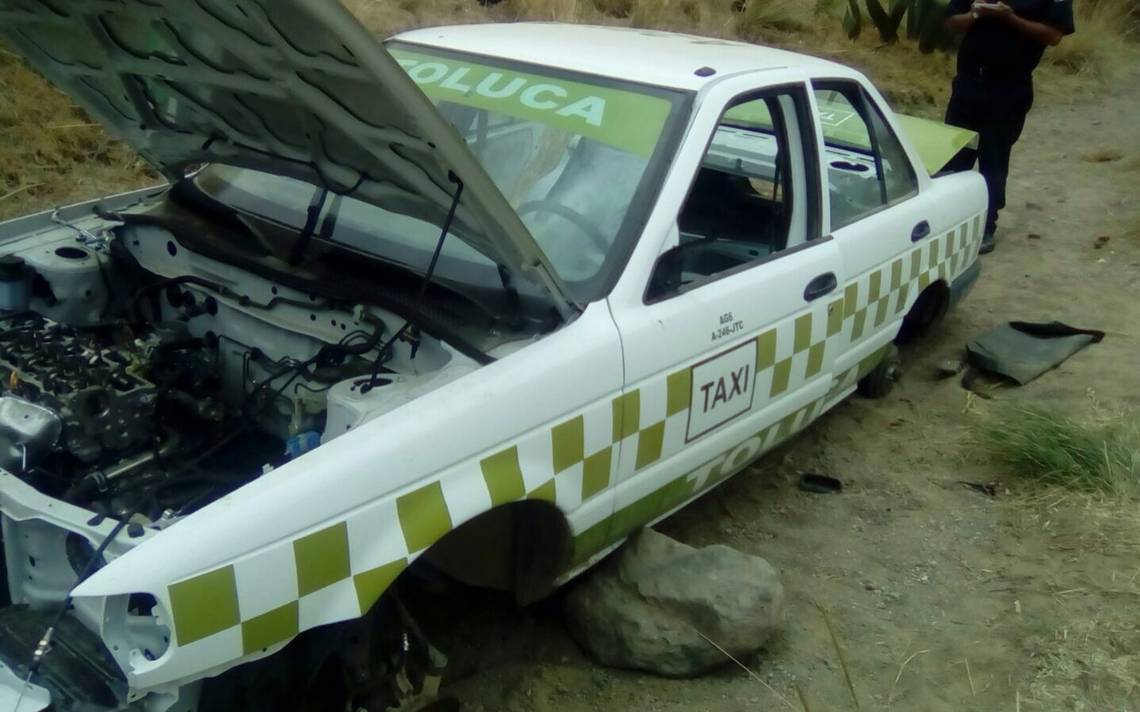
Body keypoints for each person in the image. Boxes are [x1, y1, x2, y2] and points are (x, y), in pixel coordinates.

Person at [943, 0, 1075, 254]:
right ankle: (949, 223)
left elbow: (1053, 35)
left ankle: (985, 226)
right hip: (969, 84)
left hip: (1009, 89)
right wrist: (975, 14)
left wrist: (1009, 18)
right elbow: (950, 20)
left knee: (993, 157)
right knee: (954, 156)